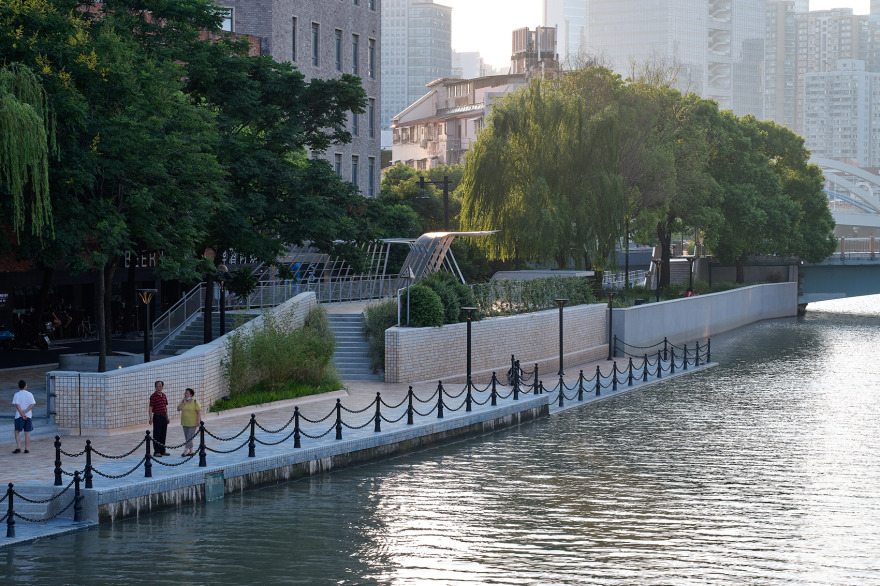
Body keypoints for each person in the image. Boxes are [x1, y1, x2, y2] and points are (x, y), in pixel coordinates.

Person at [176, 388, 201, 456]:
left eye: (186, 393)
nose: (185, 394)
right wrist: (184, 403)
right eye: (185, 393)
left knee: (189, 437)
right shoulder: (183, 401)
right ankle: (191, 451)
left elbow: (199, 412)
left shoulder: (195, 401)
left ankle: (185, 451)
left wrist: (198, 421)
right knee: (187, 437)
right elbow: (178, 409)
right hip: (185, 422)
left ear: (191, 394)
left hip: (193, 422)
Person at [149, 380, 170, 456]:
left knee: (163, 434)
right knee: (157, 434)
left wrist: (167, 417)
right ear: (155, 387)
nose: (159, 388)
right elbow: (150, 408)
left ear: (162, 387)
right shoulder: (153, 396)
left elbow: (165, 407)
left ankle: (162, 450)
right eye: (157, 386)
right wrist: (151, 418)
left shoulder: (164, 395)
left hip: (164, 417)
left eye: (160, 386)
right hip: (157, 417)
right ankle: (156, 451)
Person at [13, 380, 35, 454]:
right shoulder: (30, 394)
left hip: (19, 416)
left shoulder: (17, 394)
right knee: (27, 432)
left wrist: (22, 413)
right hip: (28, 415)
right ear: (25, 386)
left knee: (17, 431)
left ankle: (18, 447)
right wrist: (25, 412)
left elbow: (17, 405)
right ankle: (26, 448)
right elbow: (32, 404)